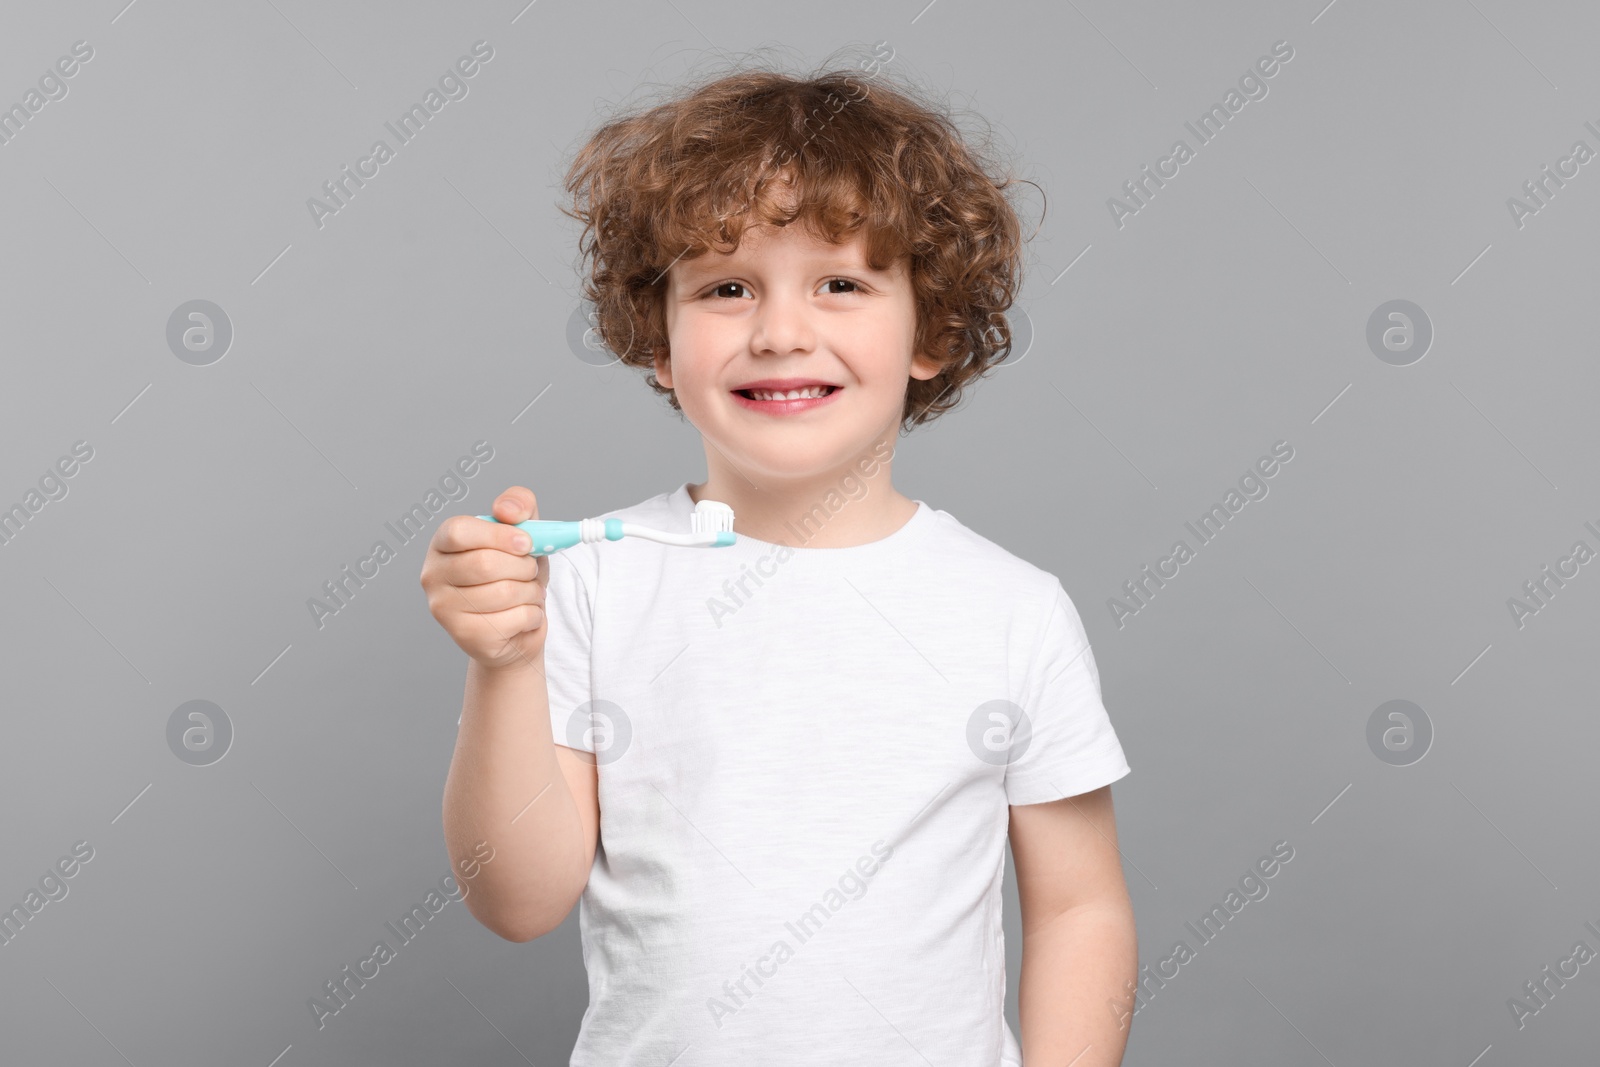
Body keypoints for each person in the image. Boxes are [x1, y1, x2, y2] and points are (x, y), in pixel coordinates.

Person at [423, 54, 1137, 1066]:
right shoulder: (589, 583)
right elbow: (517, 897)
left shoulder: (1013, 610)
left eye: (840, 282)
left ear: (930, 328)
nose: (781, 331)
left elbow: (1079, 910)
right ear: (658, 342)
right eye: (725, 287)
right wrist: (502, 662)